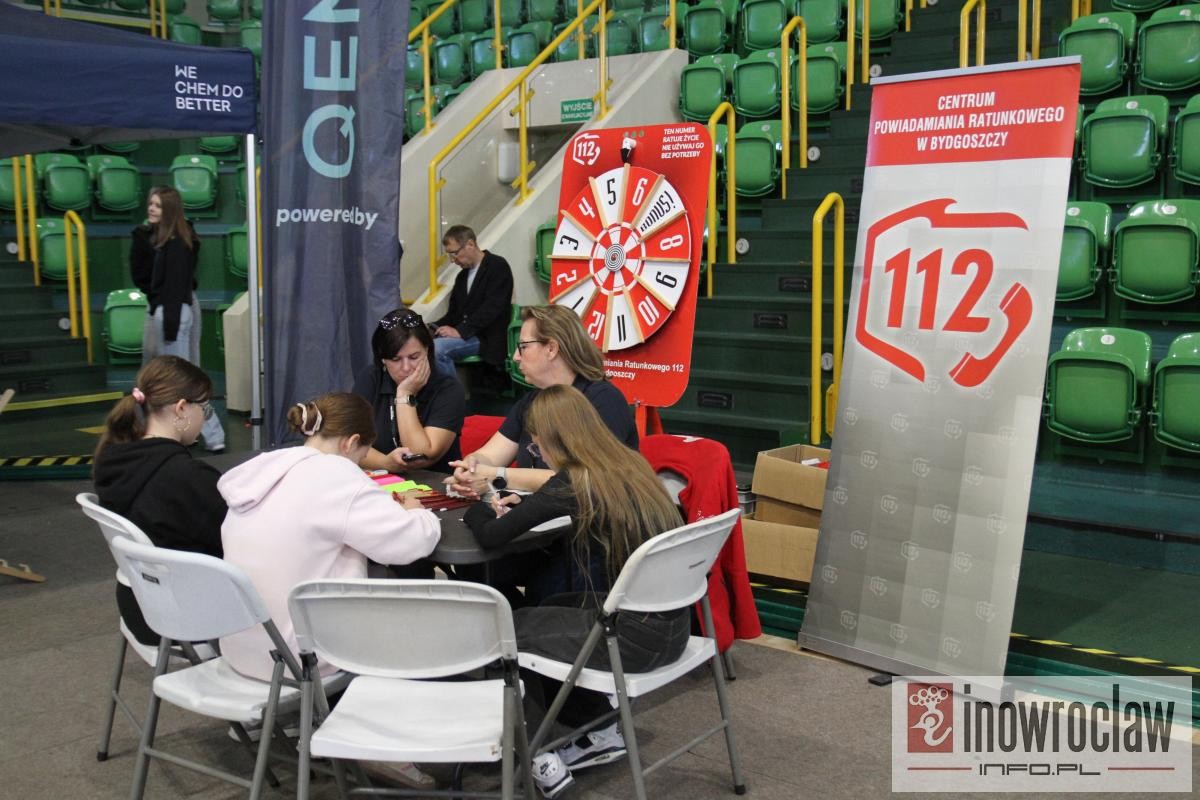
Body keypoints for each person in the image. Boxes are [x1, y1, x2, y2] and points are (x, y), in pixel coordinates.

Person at [463, 385, 688, 799]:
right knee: (550, 607)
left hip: (632, 639)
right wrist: (524, 505)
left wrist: (481, 503)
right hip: (674, 629)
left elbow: (493, 535)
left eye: (536, 444)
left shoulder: (574, 480)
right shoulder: (631, 464)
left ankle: (537, 754)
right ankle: (599, 728)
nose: (536, 451)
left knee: (508, 631)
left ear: (557, 439)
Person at [217, 392, 442, 683]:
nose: (361, 464)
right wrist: (418, 512)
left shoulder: (265, 470)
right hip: (302, 657)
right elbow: (410, 542)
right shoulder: (337, 475)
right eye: (362, 456)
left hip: (241, 648)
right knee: (407, 608)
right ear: (350, 442)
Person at [92, 356, 227, 646]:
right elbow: (236, 540)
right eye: (205, 408)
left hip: (139, 603)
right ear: (181, 408)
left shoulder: (111, 458)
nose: (205, 417)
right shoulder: (186, 477)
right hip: (188, 614)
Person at [446, 304, 637, 498]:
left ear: (551, 348)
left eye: (523, 347)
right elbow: (490, 456)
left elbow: (584, 479)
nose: (516, 357)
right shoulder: (531, 401)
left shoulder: (604, 399)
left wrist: (498, 476)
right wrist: (471, 468)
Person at [130, 185, 225, 452]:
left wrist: (168, 318)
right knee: (158, 376)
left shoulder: (181, 240)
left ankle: (211, 435)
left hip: (174, 311)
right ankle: (147, 430)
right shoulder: (147, 237)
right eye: (150, 203)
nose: (151, 208)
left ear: (169, 210)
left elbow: (175, 284)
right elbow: (142, 276)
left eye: (158, 205)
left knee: (183, 379)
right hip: (166, 309)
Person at [352, 308, 466, 474]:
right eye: (395, 359)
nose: (406, 368)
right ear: (383, 358)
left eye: (414, 357)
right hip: (379, 479)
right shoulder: (370, 378)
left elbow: (421, 455)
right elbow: (349, 443)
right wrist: (385, 462)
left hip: (433, 483)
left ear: (427, 350)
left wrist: (405, 395)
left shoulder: (448, 389)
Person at [431, 224, 514, 377]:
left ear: (470, 244)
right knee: (420, 344)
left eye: (454, 253)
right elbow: (454, 314)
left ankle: (450, 392)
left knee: (437, 349)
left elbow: (492, 308)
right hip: (469, 334)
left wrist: (460, 331)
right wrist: (432, 327)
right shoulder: (462, 276)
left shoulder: (497, 266)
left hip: (485, 337)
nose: (453, 260)